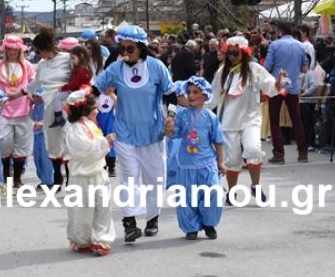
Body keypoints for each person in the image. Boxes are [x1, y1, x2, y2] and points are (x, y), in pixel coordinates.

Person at [93, 25, 175, 242]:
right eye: (123, 48)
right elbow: (96, 87)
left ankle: (152, 218)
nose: (126, 53)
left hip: (152, 132)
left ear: (141, 47)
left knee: (154, 178)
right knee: (129, 177)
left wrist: (172, 116)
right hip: (125, 131)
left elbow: (171, 94)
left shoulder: (157, 67)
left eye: (130, 48)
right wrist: (78, 100)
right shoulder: (116, 69)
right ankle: (129, 222)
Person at [208, 36, 279, 199]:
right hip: (228, 121)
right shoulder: (222, 71)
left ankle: (255, 186)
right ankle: (232, 193)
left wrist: (280, 83)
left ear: (244, 53)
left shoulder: (255, 69)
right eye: (230, 53)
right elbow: (212, 96)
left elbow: (270, 86)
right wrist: (195, 108)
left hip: (250, 119)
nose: (232, 56)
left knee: (253, 150)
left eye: (236, 53)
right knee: (232, 159)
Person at [165, 76, 224, 240]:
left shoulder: (211, 117)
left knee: (214, 191)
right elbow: (173, 134)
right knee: (186, 197)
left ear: (204, 95)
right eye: (188, 92)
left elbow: (218, 140)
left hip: (207, 163)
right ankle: (191, 227)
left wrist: (221, 162)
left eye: (195, 92)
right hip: (186, 164)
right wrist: (168, 127)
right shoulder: (182, 115)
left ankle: (209, 223)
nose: (190, 95)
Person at [63, 87, 116, 256]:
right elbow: (82, 150)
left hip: (98, 174)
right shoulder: (74, 129)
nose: (98, 111)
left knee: (103, 209)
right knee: (82, 212)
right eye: (95, 108)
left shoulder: (91, 125)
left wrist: (104, 143)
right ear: (85, 110)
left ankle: (101, 239)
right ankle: (82, 239)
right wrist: (104, 142)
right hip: (81, 177)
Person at [25, 28, 72, 189]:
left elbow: (81, 77)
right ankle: (57, 176)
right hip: (49, 106)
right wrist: (23, 93)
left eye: (38, 51)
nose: (37, 54)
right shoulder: (42, 64)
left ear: (45, 48)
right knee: (53, 144)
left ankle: (70, 177)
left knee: (69, 140)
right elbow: (35, 83)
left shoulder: (68, 59)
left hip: (69, 104)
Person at [0, 35, 35, 186]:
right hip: (4, 111)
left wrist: (34, 97)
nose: (12, 52)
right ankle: (7, 174)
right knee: (4, 143)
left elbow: (34, 85)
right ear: (5, 49)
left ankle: (18, 177)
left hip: (24, 109)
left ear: (20, 49)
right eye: (9, 49)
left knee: (22, 145)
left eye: (15, 49)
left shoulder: (28, 66)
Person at [264, 21, 310, 163]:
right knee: (296, 120)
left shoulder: (275, 45)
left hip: (277, 86)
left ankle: (278, 153)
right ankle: (303, 152)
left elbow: (267, 66)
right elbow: (304, 67)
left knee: (274, 121)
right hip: (293, 86)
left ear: (280, 31)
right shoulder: (301, 46)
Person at [50, 45, 93, 128]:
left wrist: (62, 88)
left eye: (73, 58)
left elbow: (74, 83)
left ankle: (59, 117)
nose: (72, 61)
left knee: (57, 97)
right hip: (79, 92)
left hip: (77, 92)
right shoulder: (84, 68)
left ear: (81, 56)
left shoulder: (81, 69)